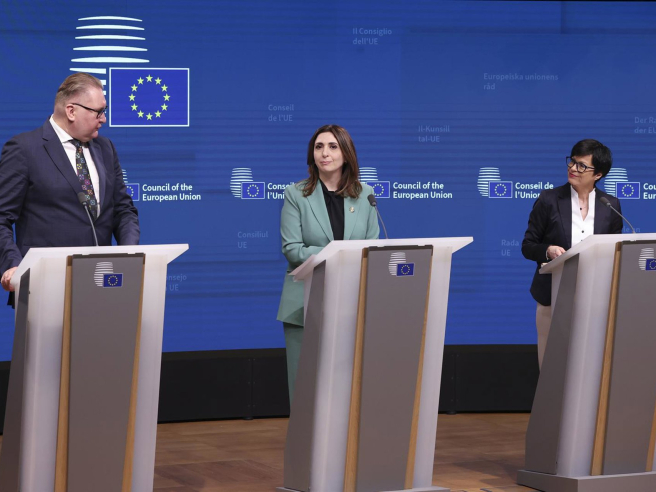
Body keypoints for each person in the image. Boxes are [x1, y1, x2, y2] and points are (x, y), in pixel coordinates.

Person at [0, 73, 139, 298]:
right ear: (71, 111)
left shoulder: (106, 148)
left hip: (103, 286)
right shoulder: (25, 149)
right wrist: (13, 265)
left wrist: (129, 256)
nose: (104, 119)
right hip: (43, 288)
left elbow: (123, 210)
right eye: (98, 112)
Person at [277, 124, 379, 402]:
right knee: (305, 388)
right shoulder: (295, 194)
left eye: (333, 146)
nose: (325, 153)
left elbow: (371, 248)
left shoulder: (365, 195)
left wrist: (343, 254)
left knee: (349, 388)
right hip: (304, 302)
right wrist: (339, 252)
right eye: (319, 147)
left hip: (352, 301)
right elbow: (292, 249)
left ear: (346, 153)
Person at [522, 139, 623, 368]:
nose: (573, 168)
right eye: (572, 162)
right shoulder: (549, 199)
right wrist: (547, 250)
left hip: (596, 298)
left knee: (590, 364)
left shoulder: (610, 205)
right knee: (550, 365)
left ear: (598, 174)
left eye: (582, 166)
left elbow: (613, 251)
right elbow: (528, 246)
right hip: (552, 295)